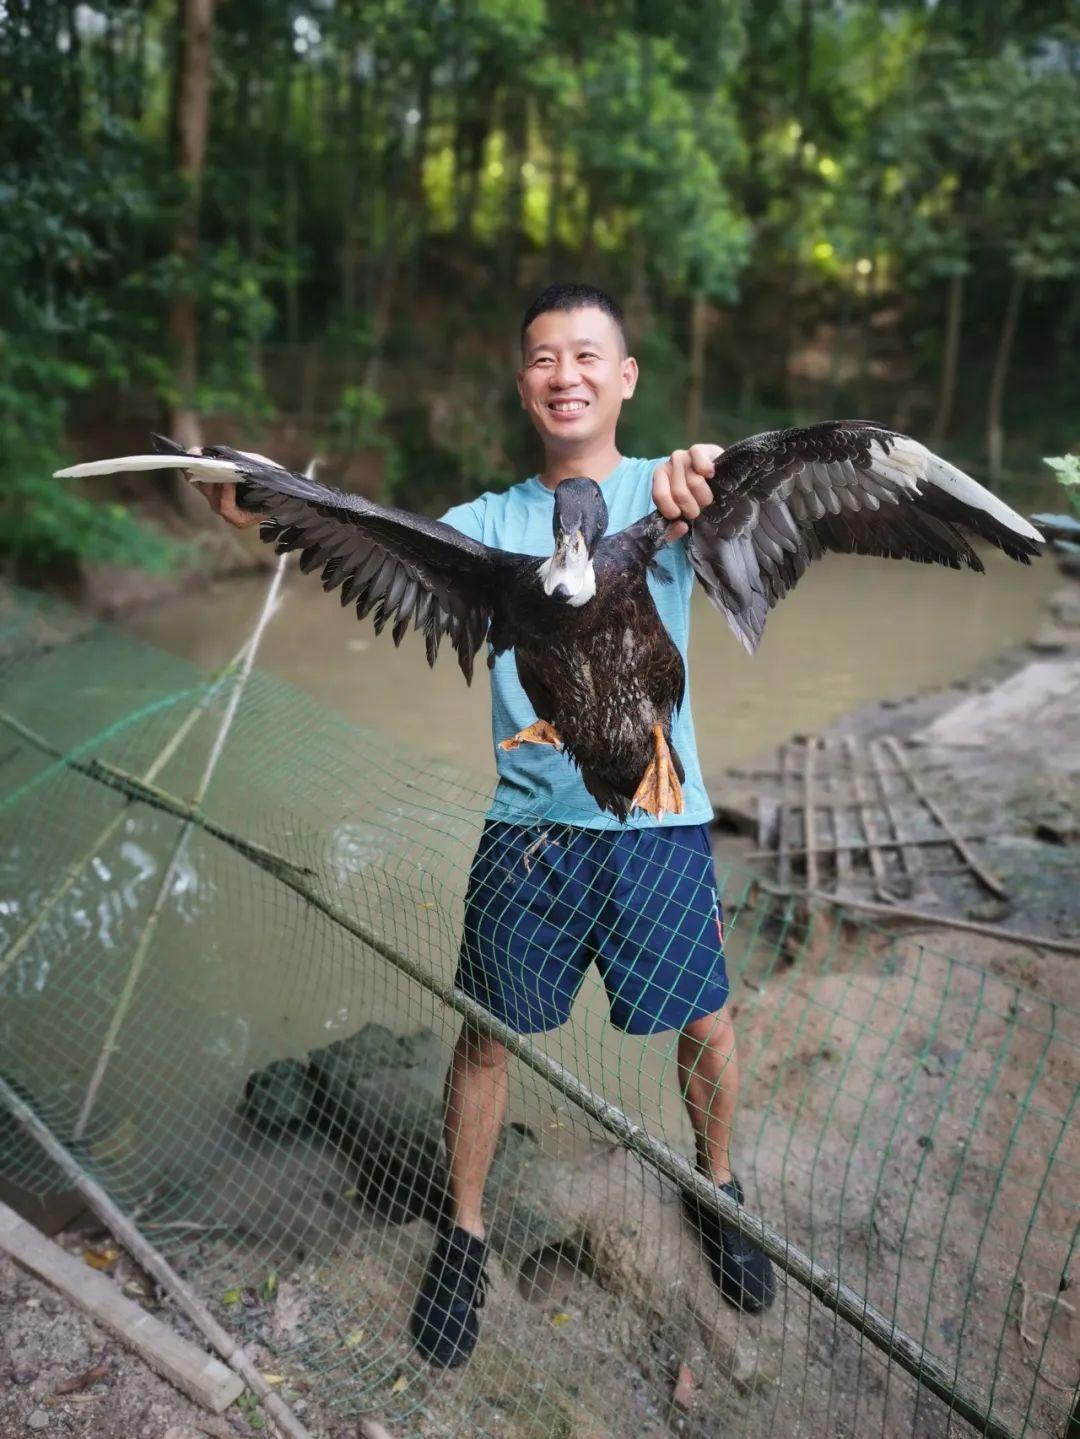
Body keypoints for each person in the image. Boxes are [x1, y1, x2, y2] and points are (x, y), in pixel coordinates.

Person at [198, 281, 775, 1370]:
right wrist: (270, 502)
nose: (567, 372)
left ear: (626, 377)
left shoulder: (673, 494)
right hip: (529, 837)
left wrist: (719, 471)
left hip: (660, 823)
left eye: (588, 354)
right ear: (525, 385)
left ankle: (719, 1181)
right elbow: (359, 533)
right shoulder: (485, 525)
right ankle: (464, 1233)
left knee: (706, 1021)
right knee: (487, 1035)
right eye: (545, 357)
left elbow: (714, 480)